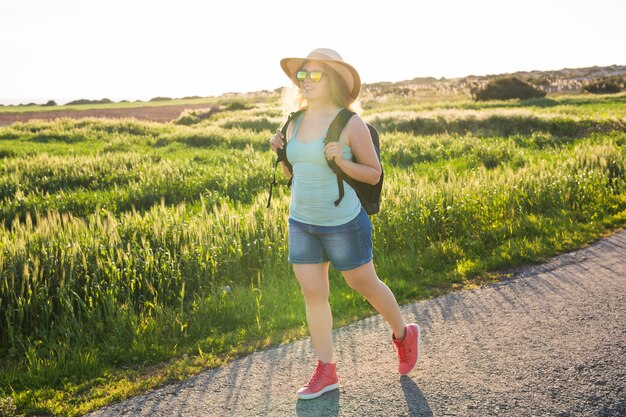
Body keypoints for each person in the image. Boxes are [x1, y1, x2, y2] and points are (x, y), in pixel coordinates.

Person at [269, 48, 421, 400]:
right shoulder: (293, 121)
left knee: (363, 283)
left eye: (315, 75)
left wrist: (342, 161)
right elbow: (295, 172)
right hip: (302, 222)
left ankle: (403, 334)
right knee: (313, 294)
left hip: (343, 222)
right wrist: (279, 151)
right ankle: (327, 370)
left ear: (333, 79)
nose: (306, 81)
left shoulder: (349, 123)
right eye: (302, 75)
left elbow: (373, 173)